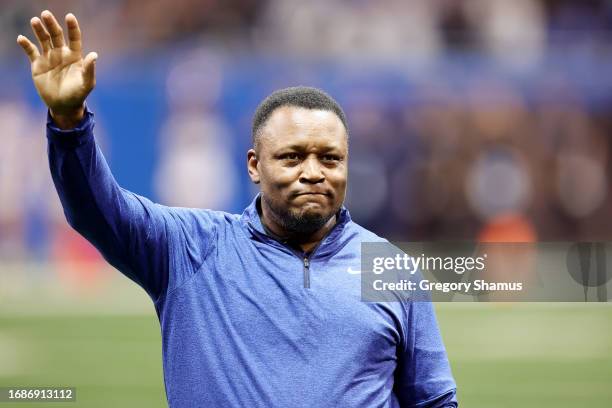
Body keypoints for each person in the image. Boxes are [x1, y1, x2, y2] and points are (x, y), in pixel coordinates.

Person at [17, 10, 458, 408]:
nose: (313, 172)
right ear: (254, 165)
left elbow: (434, 400)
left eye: (330, 158)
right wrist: (70, 121)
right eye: (291, 157)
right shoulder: (189, 248)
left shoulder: (389, 268)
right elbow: (97, 211)